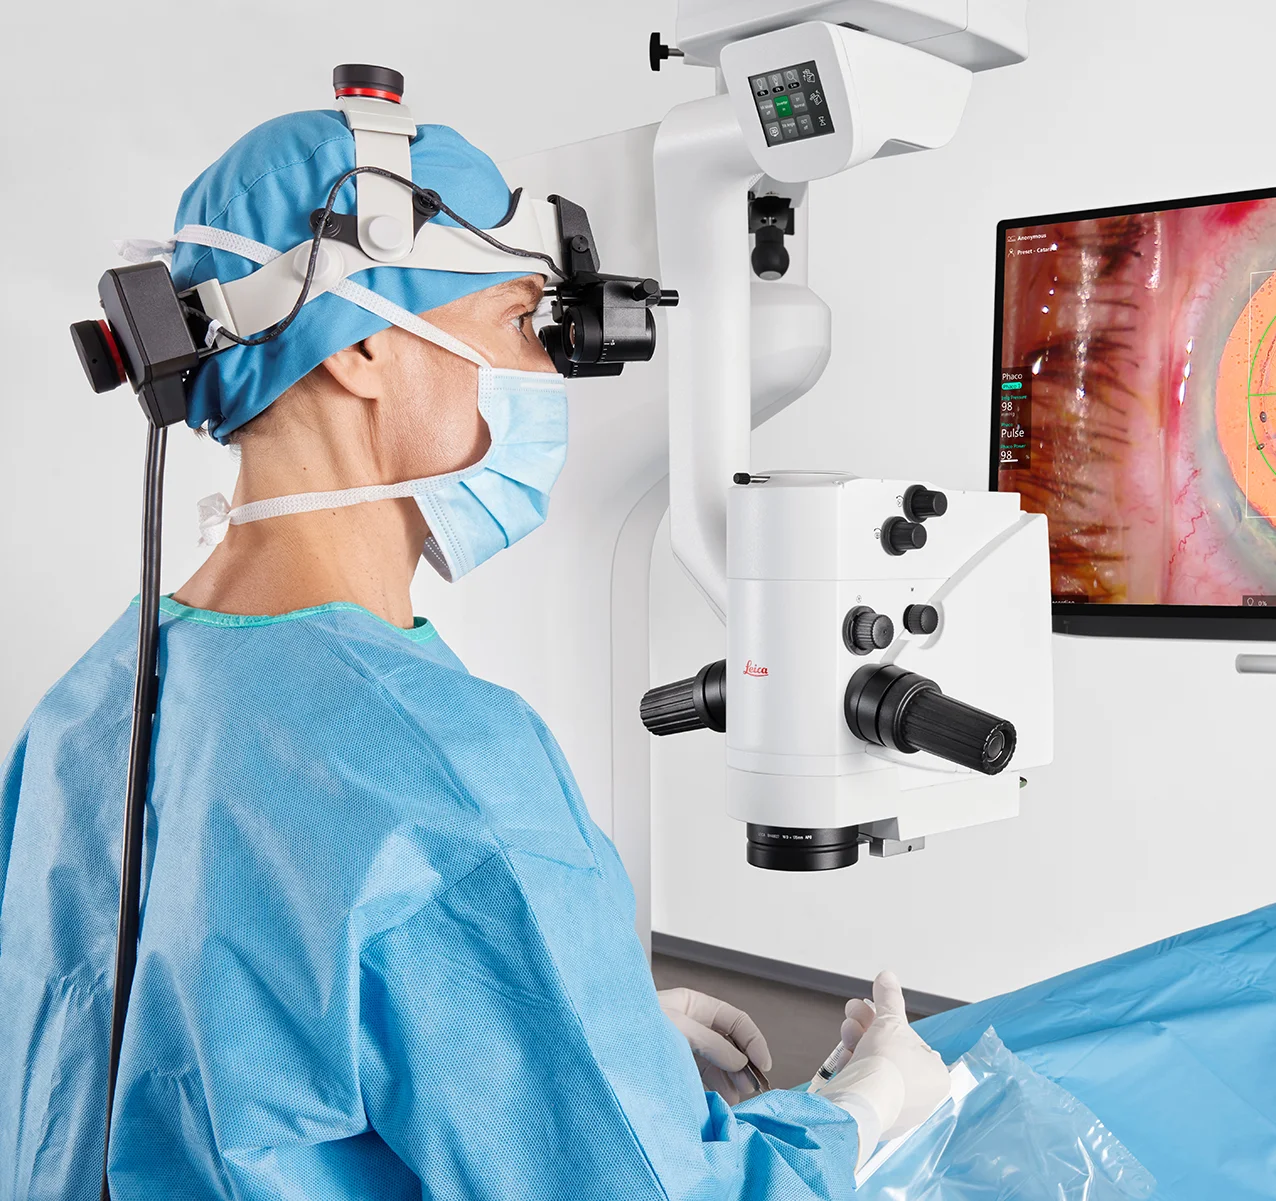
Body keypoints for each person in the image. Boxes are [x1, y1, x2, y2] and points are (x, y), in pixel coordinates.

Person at [0, 102, 947, 1198]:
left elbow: (189, 1053)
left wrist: (580, 1031)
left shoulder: (85, 710)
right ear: (362, 348)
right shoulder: (439, 769)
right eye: (516, 321)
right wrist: (862, 1112)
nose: (540, 369)